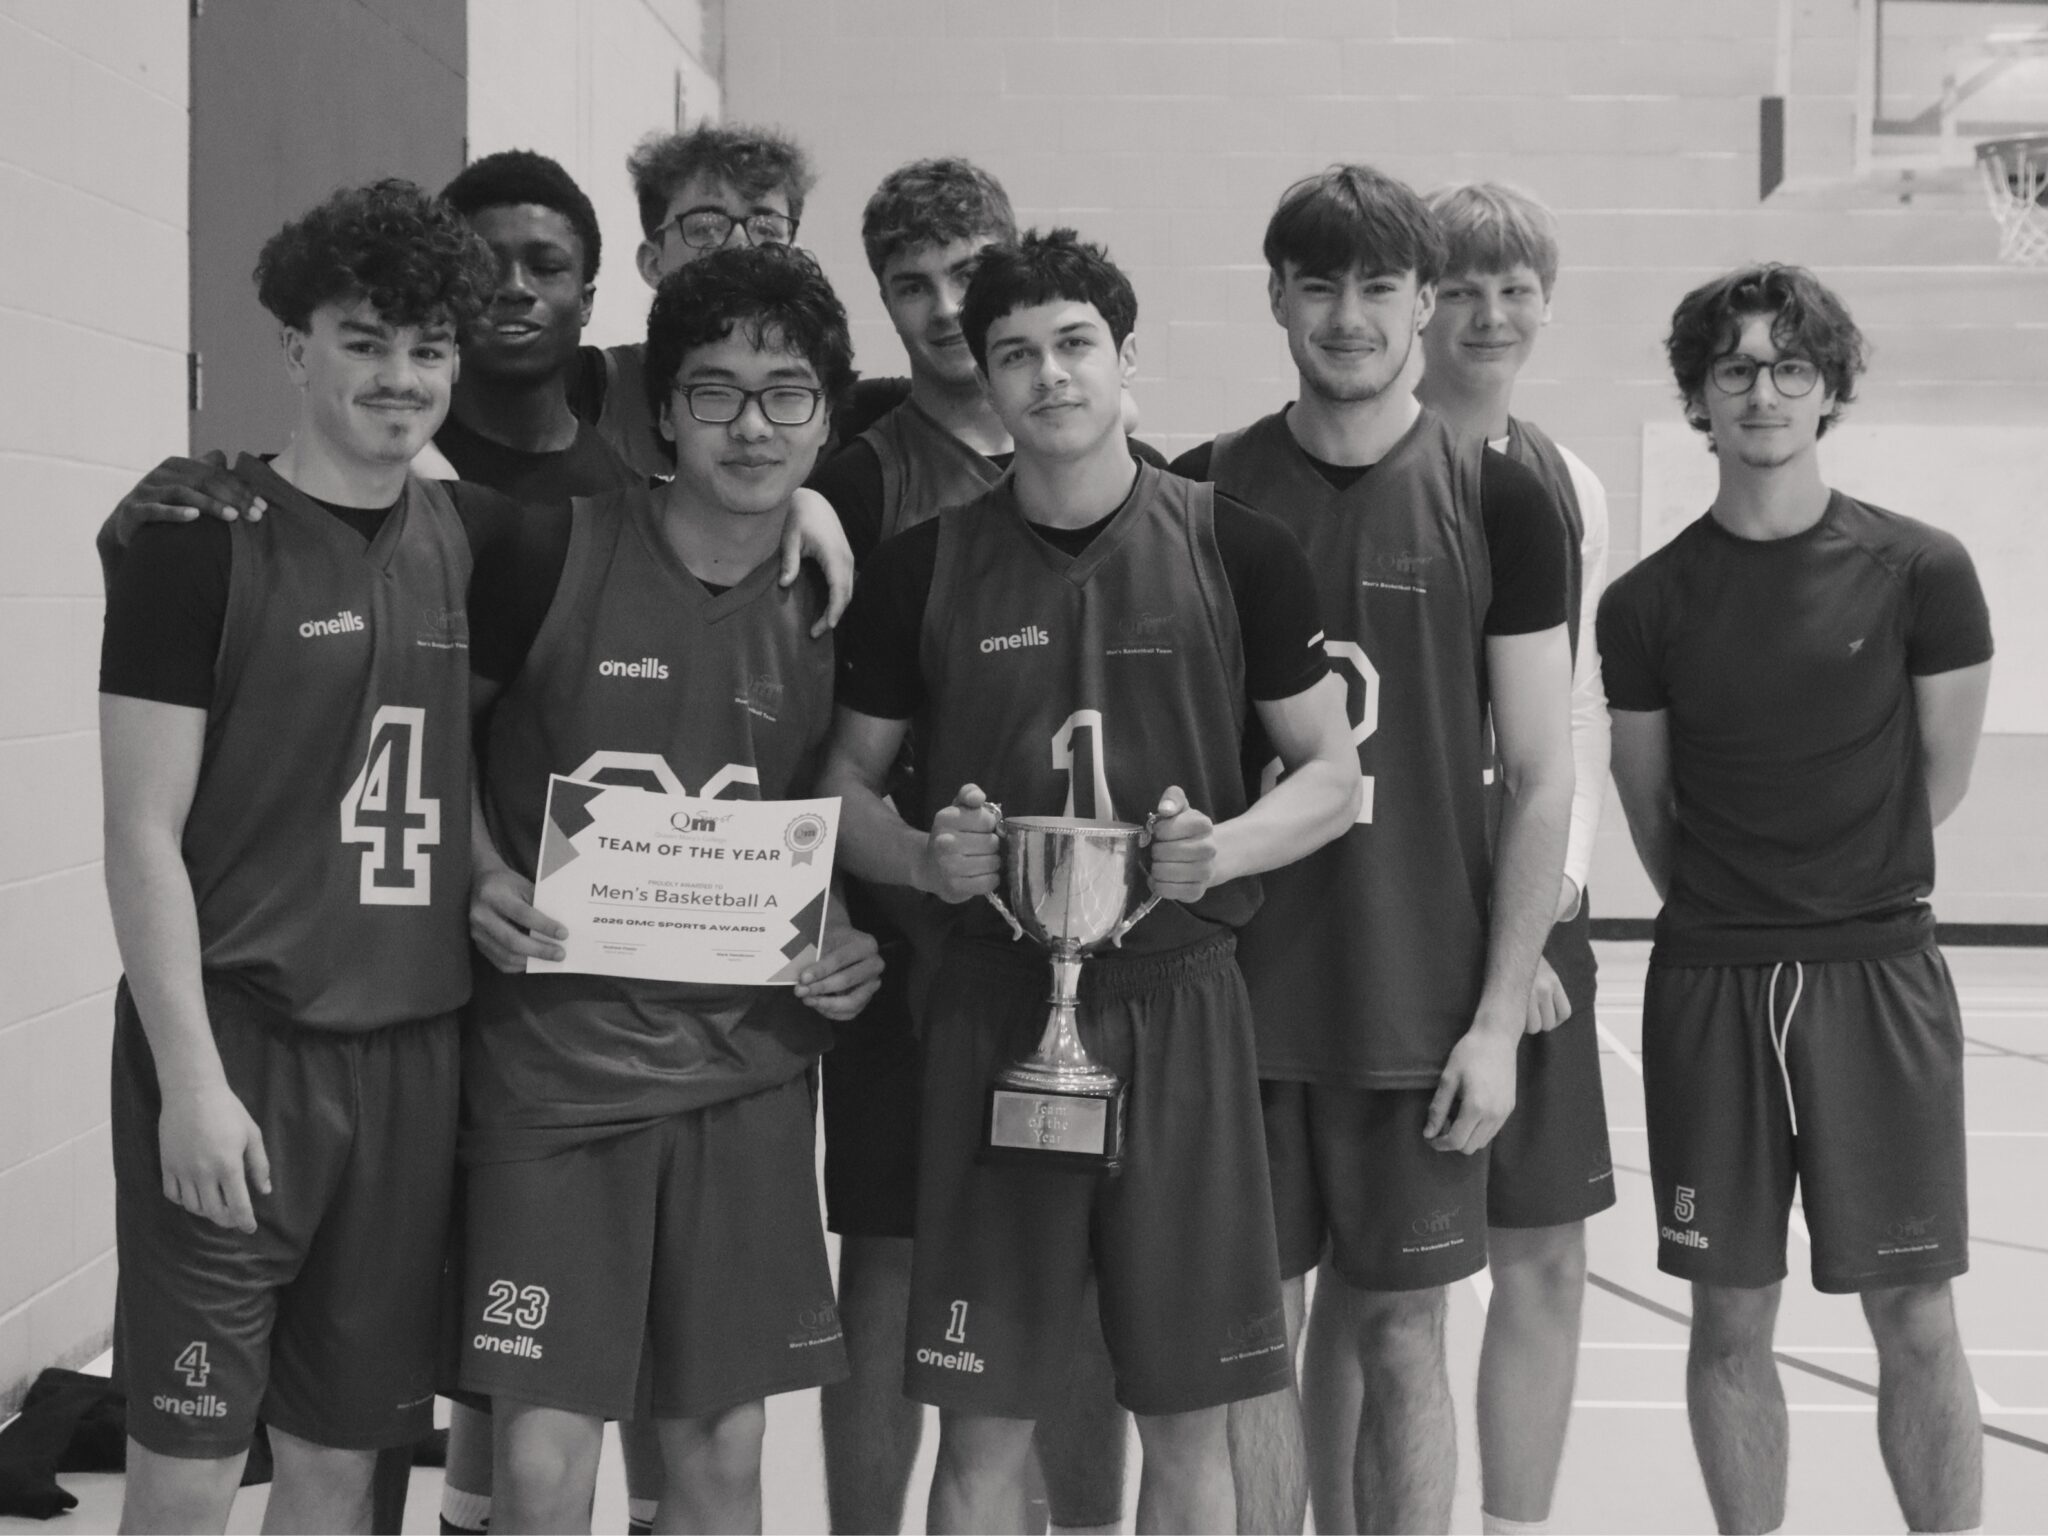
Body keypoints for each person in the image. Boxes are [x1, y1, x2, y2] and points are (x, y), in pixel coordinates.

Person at [820, 227, 1361, 1534]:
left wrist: (1217, 849)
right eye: (1017, 355)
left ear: (1127, 358)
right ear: (987, 381)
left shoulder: (1237, 546)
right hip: (990, 1009)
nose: (1048, 377)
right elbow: (837, 790)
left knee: (1186, 1419)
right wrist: (922, 860)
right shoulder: (922, 570)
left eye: (1074, 347)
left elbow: (1333, 776)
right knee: (983, 1422)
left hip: (1179, 1005)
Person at [1172, 165, 1576, 1535]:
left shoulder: (1502, 499)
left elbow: (1538, 773)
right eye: (1320, 284)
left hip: (1415, 1005)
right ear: (1277, 294)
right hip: (1233, 1006)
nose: (1349, 316)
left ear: (1420, 302)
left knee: (1406, 1341)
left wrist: (1498, 1011)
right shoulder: (1200, 491)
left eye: (1379, 286)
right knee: (1248, 1352)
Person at [457, 245, 884, 1534]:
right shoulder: (543, 553)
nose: (750, 426)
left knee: (719, 1453)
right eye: (714, 391)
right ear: (661, 412)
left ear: (825, 413)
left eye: (785, 393)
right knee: (539, 1465)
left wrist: (847, 939)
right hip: (552, 1064)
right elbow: (435, 744)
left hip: (746, 1066)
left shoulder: (839, 603)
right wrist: (478, 874)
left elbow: (833, 812)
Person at [98, 179, 498, 1535]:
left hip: (413, 1056)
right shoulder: (194, 544)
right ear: (295, 346)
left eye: (429, 348)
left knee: (342, 1462)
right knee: (193, 1458)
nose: (400, 378)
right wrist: (190, 1084)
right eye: (365, 340)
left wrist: (817, 513)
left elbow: (674, 527)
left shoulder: (477, 542)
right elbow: (140, 830)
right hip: (240, 1049)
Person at [1599, 263, 1992, 1536]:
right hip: (1709, 981)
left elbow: (1935, 779)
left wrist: (1833, 892)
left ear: (1826, 393)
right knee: (1726, 1318)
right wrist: (1738, 910)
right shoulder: (1643, 604)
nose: (1760, 393)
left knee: (1914, 1315)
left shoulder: (1921, 571)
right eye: (1733, 370)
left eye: (1787, 368)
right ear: (1697, 399)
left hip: (1876, 976)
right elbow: (1649, 806)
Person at [809, 156, 1130, 1536]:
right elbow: (812, 741)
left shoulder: (1130, 468)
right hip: (906, 943)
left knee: (1089, 1269)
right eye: (910, 287)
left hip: (1087, 949)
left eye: (967, 275)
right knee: (885, 1265)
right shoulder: (852, 484)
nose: (945, 310)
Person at [1416, 181, 1616, 1536]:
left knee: (1542, 1261)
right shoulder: (1367, 462)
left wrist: (1536, 919)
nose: (1491, 314)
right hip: (1387, 919)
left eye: (1514, 287)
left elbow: (1573, 720)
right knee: (1388, 1285)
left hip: (1529, 912)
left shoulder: (1568, 484)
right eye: (1462, 286)